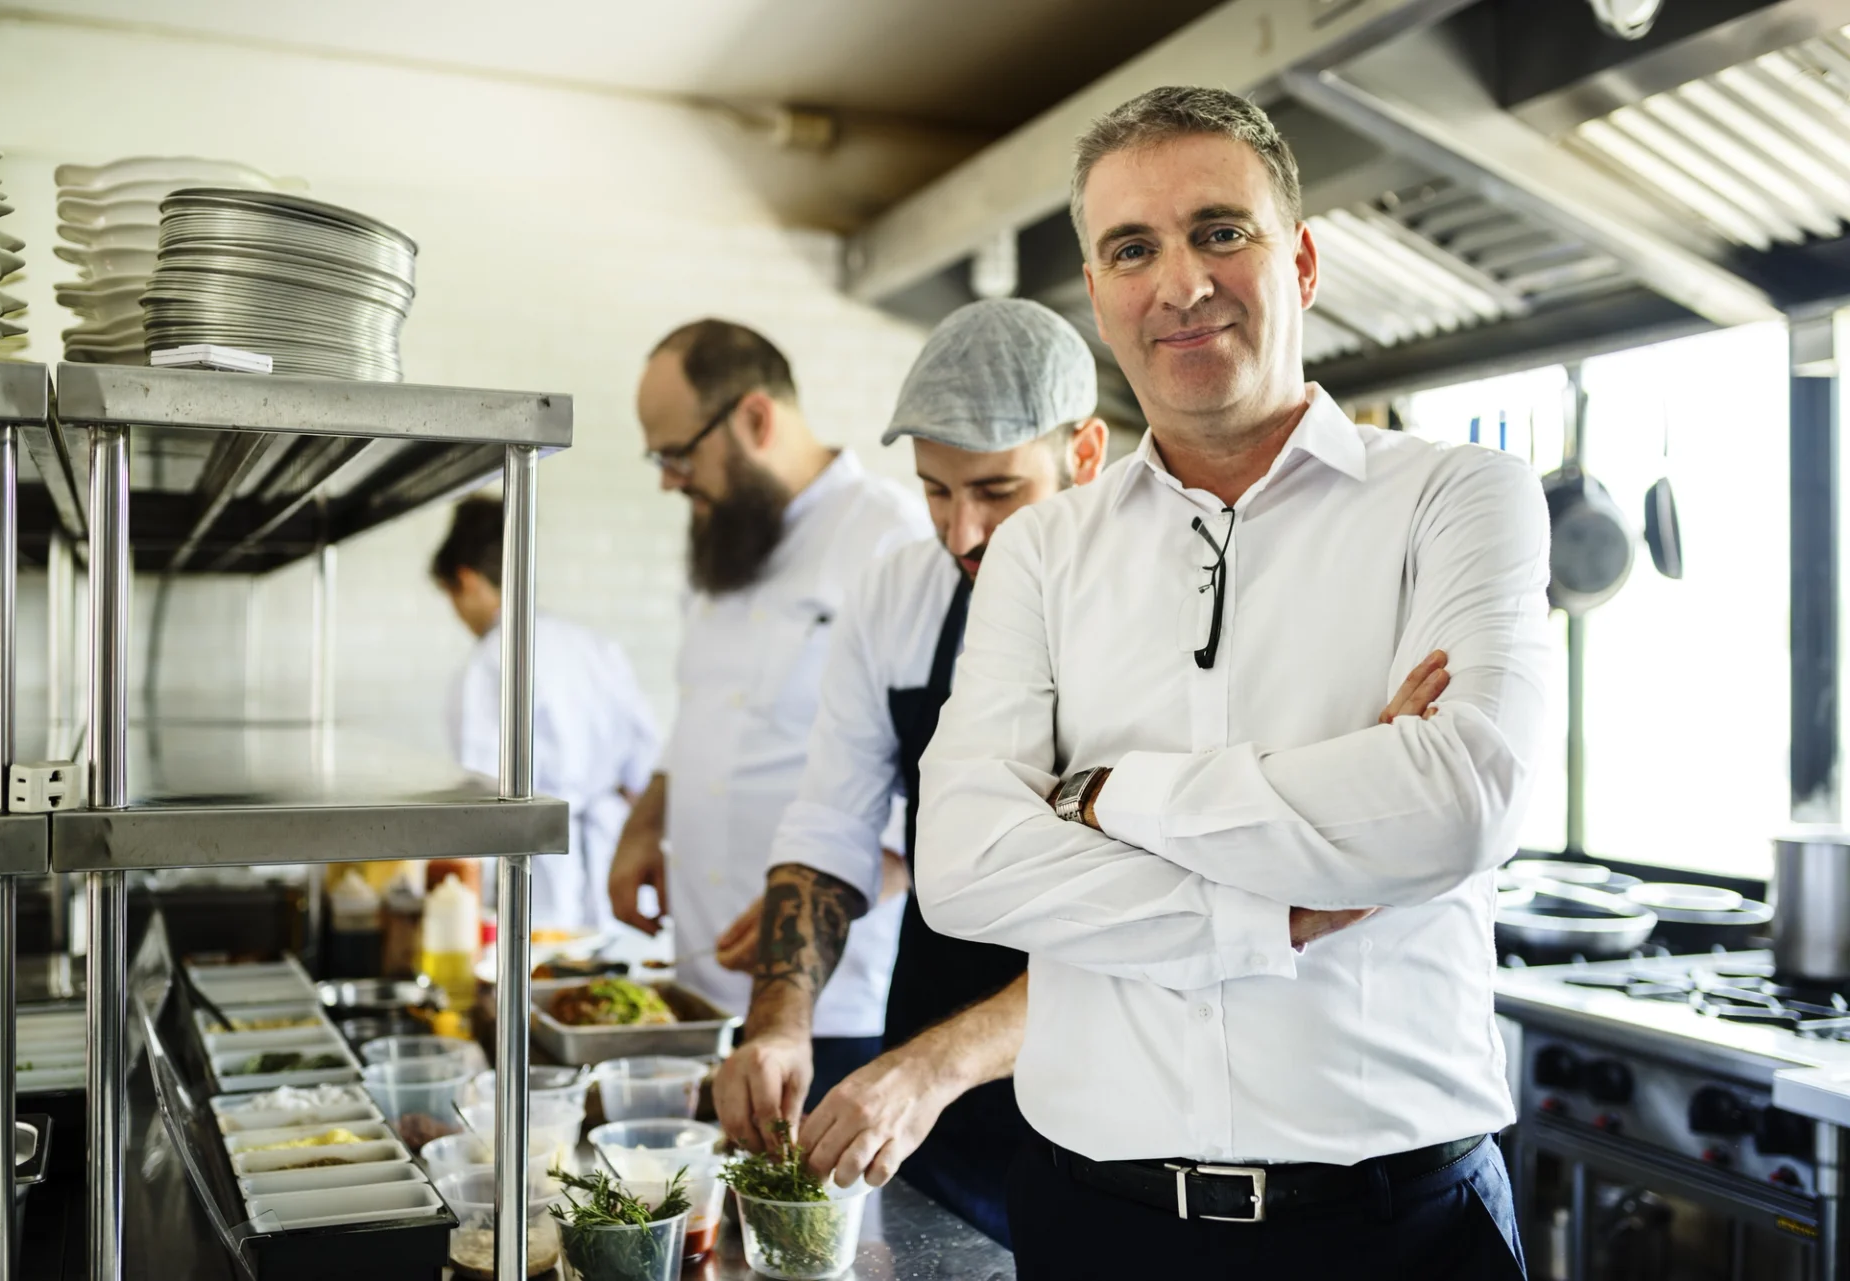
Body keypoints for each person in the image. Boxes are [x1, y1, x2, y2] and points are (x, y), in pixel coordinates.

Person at [915, 86, 1549, 1280]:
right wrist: (1279, 908)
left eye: (1221, 230)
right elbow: (962, 864)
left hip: (1400, 1232)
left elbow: (1460, 802)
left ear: (1300, 260)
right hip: (1094, 1226)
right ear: (1099, 296)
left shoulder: (1458, 498)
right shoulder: (1045, 550)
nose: (1181, 281)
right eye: (1131, 249)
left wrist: (1104, 797)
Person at [711, 299, 1109, 1246]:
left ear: (1085, 456)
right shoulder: (899, 590)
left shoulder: (1157, 603)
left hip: (1107, 1099)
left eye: (999, 491)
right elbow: (831, 825)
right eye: (935, 490)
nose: (962, 530)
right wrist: (778, 1018)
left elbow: (1155, 919)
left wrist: (938, 1065)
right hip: (930, 1089)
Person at [613, 318, 928, 1107]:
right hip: (701, 974)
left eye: (676, 454)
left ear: (755, 419)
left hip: (833, 1005)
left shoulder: (893, 540)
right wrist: (647, 818)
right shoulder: (725, 542)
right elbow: (699, 708)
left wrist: (802, 914)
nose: (668, 480)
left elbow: (935, 779)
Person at [432, 495, 661, 934]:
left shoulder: (489, 662)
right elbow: (643, 772)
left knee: (542, 983)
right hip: (615, 866)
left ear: (467, 581)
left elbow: (481, 801)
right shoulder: (593, 647)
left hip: (539, 877)